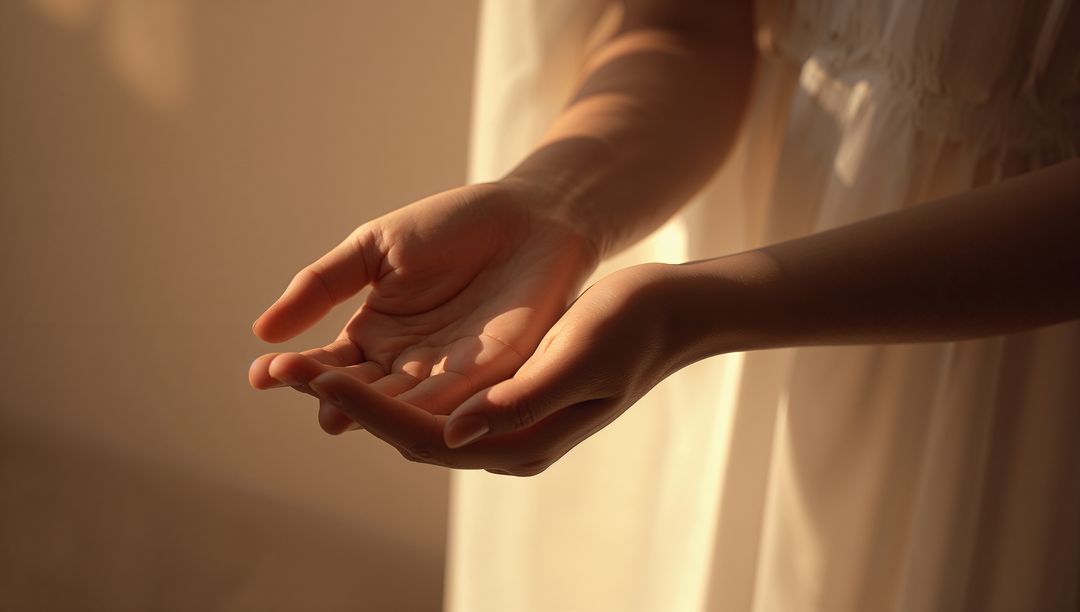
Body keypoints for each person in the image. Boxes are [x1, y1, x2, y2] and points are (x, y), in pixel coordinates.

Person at [250, 0, 1078, 609]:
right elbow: (685, 26)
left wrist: (697, 309)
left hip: (1024, 384)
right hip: (735, 304)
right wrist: (558, 200)